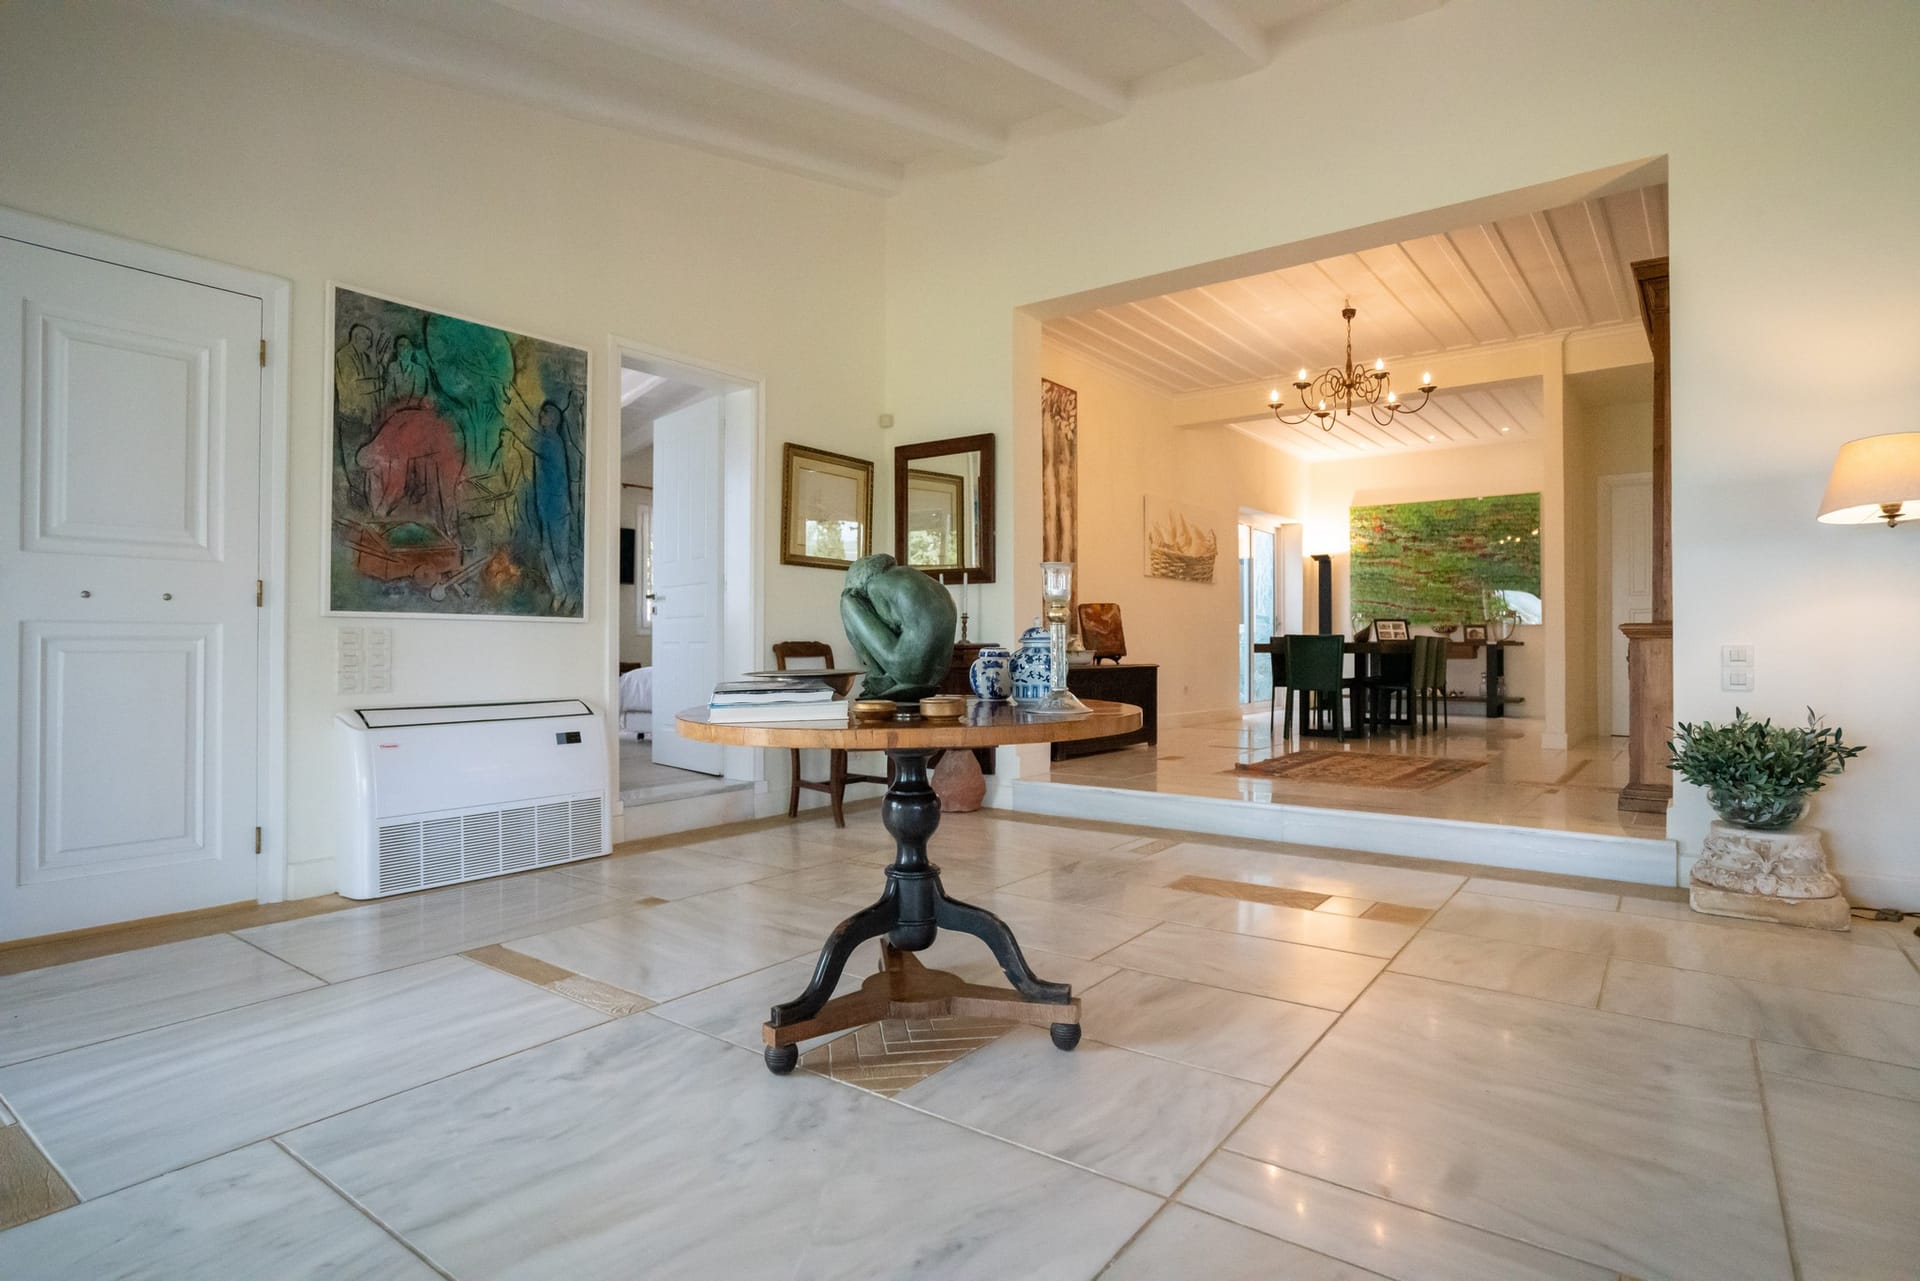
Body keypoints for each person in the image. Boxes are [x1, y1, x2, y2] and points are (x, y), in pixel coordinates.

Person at [840, 553, 957, 700]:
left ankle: (878, 675)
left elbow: (891, 625)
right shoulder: (915, 577)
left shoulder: (875, 585)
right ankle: (890, 678)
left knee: (847, 600)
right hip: (938, 675)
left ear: (858, 579)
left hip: (907, 669)